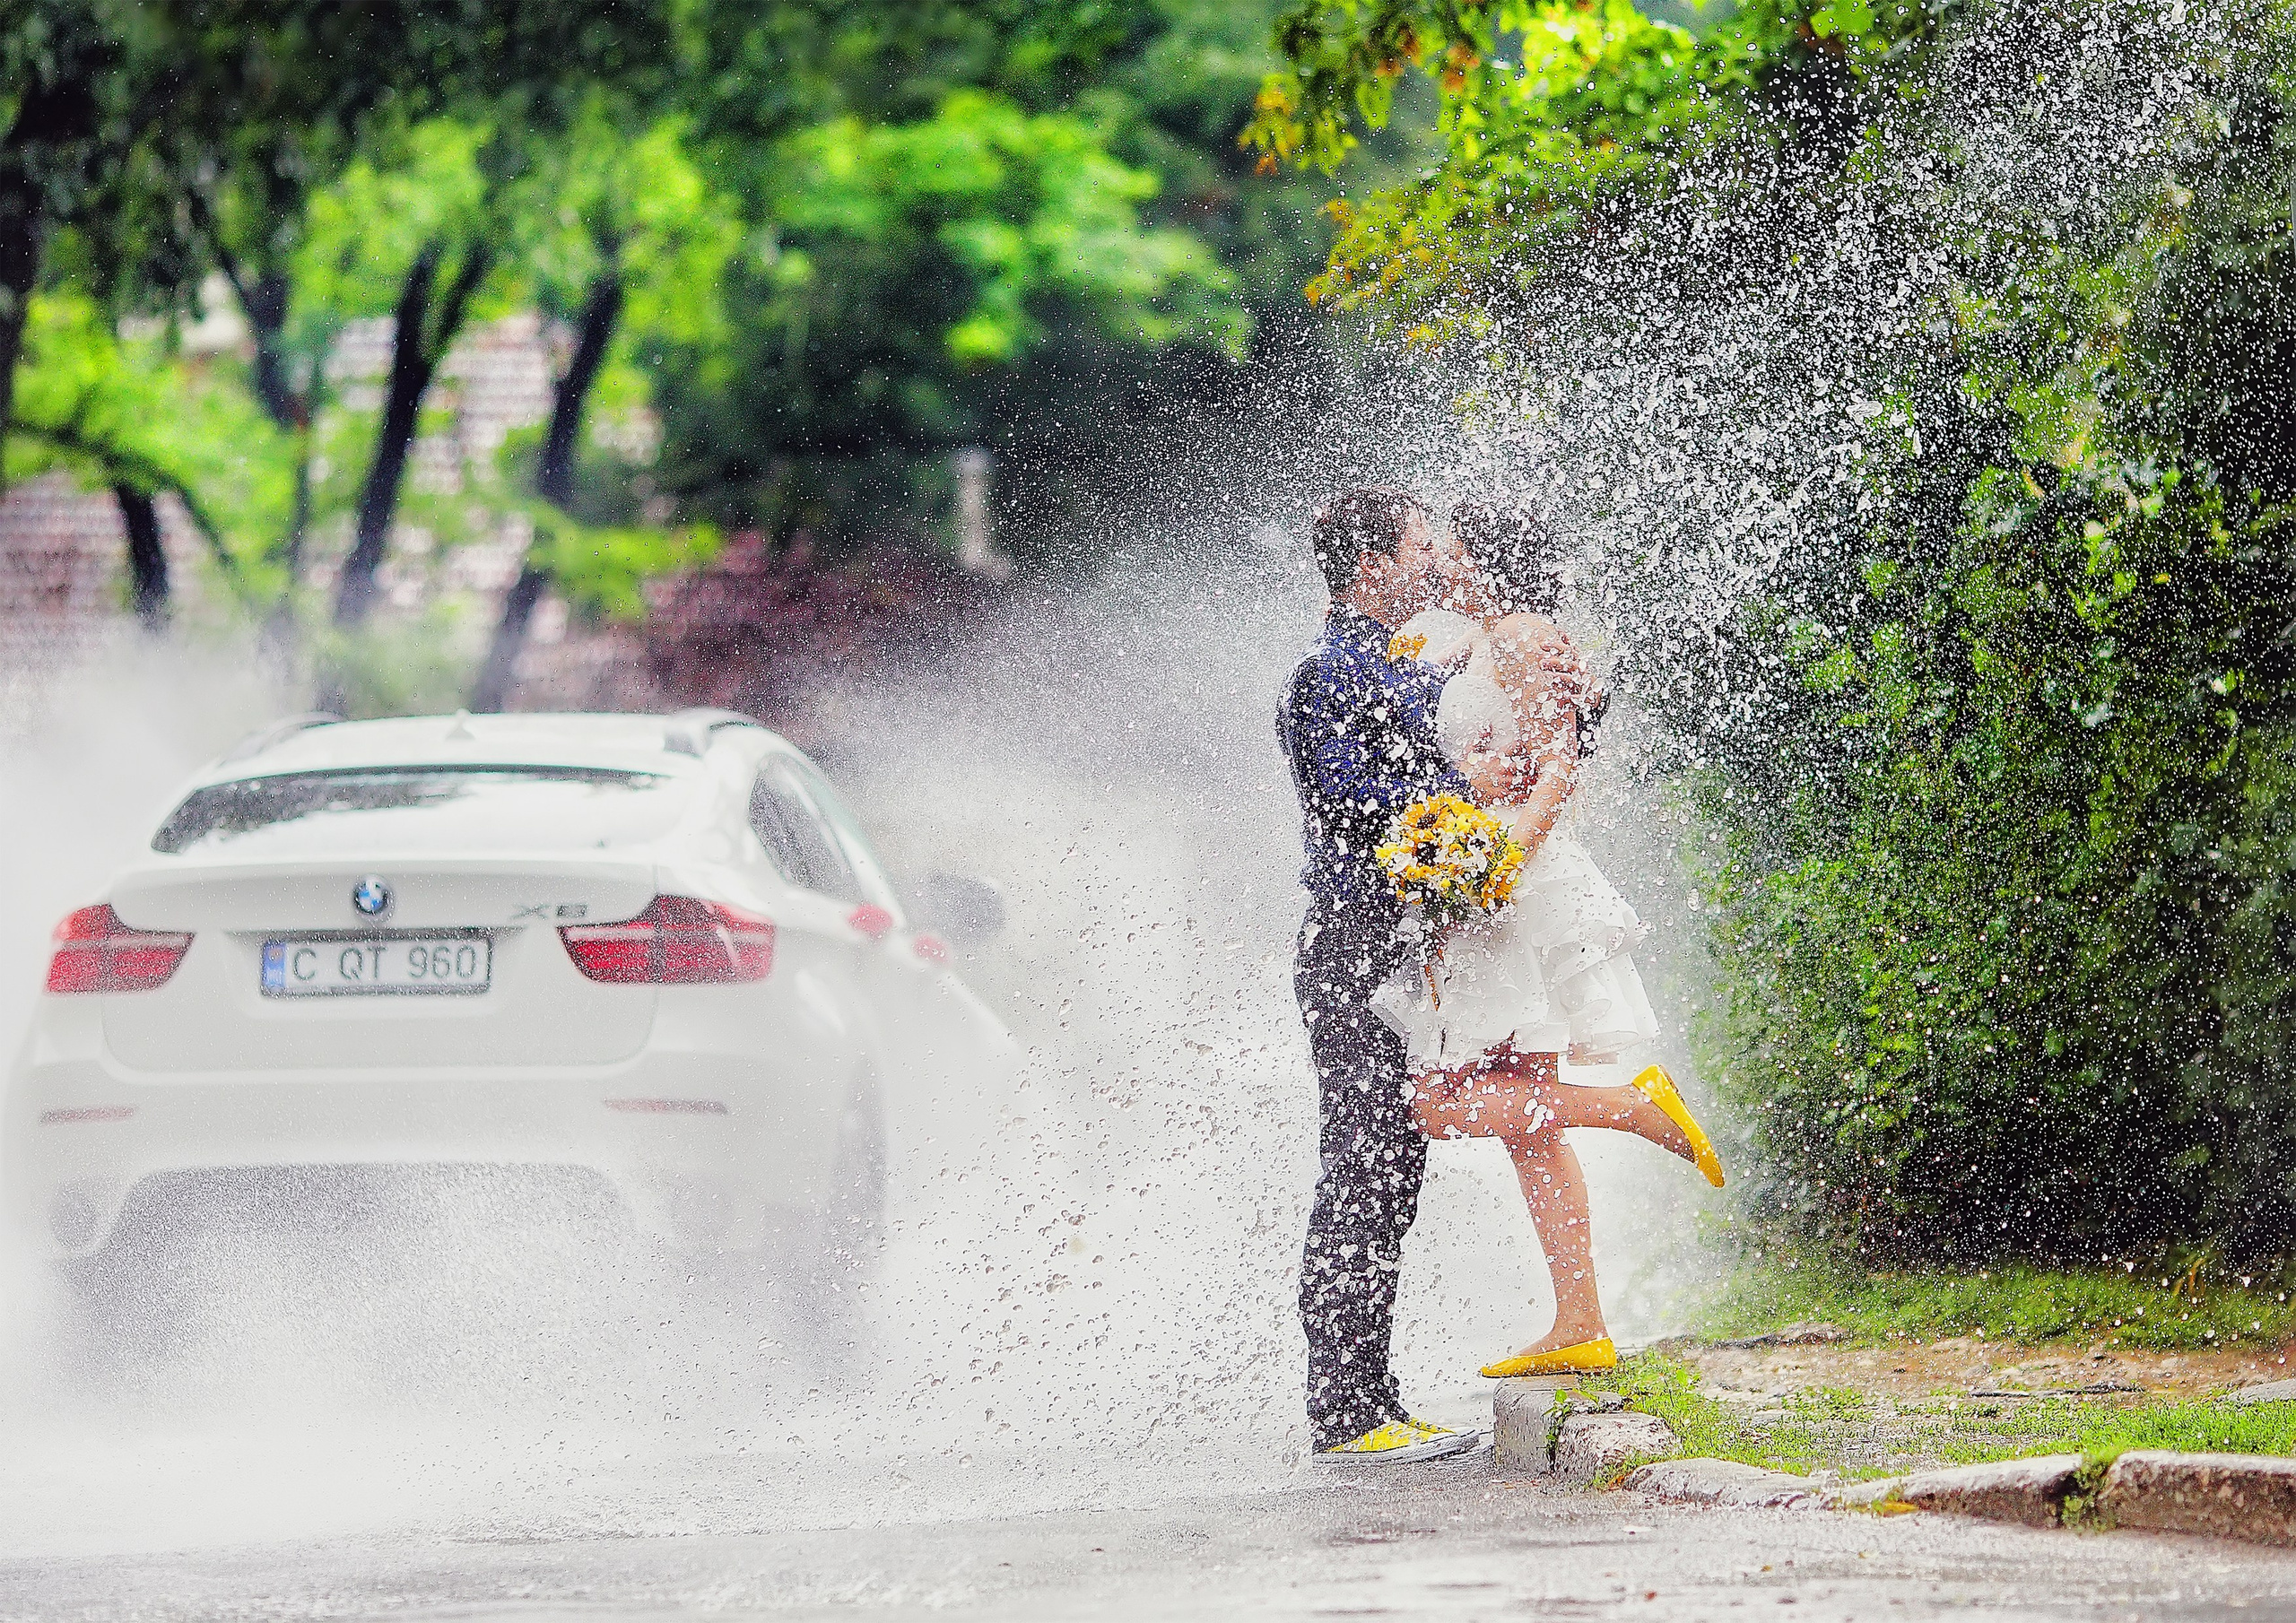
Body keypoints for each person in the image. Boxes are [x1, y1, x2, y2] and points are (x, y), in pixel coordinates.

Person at [1372, 499, 1726, 1381]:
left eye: (1450, 549)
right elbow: (1480, 726)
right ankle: (1580, 1321)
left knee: (1439, 1101)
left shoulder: (1524, 635)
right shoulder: (1481, 633)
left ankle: (1633, 1108)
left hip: (1516, 885)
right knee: (1527, 1123)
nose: (1440, 562)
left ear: (1485, 558)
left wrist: (1497, 861)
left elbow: (1559, 766)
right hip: (1493, 871)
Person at [1276, 487, 1585, 1462]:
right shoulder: (1323, 673)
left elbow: (1478, 712)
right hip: (1351, 948)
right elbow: (1355, 803)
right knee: (1361, 1166)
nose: (1433, 559)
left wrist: (1553, 676)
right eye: (1416, 546)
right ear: (1370, 565)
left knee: (1393, 1169)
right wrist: (1464, 788)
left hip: (1410, 950)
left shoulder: (1409, 660)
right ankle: (1345, 1407)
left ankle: (1376, 1393)